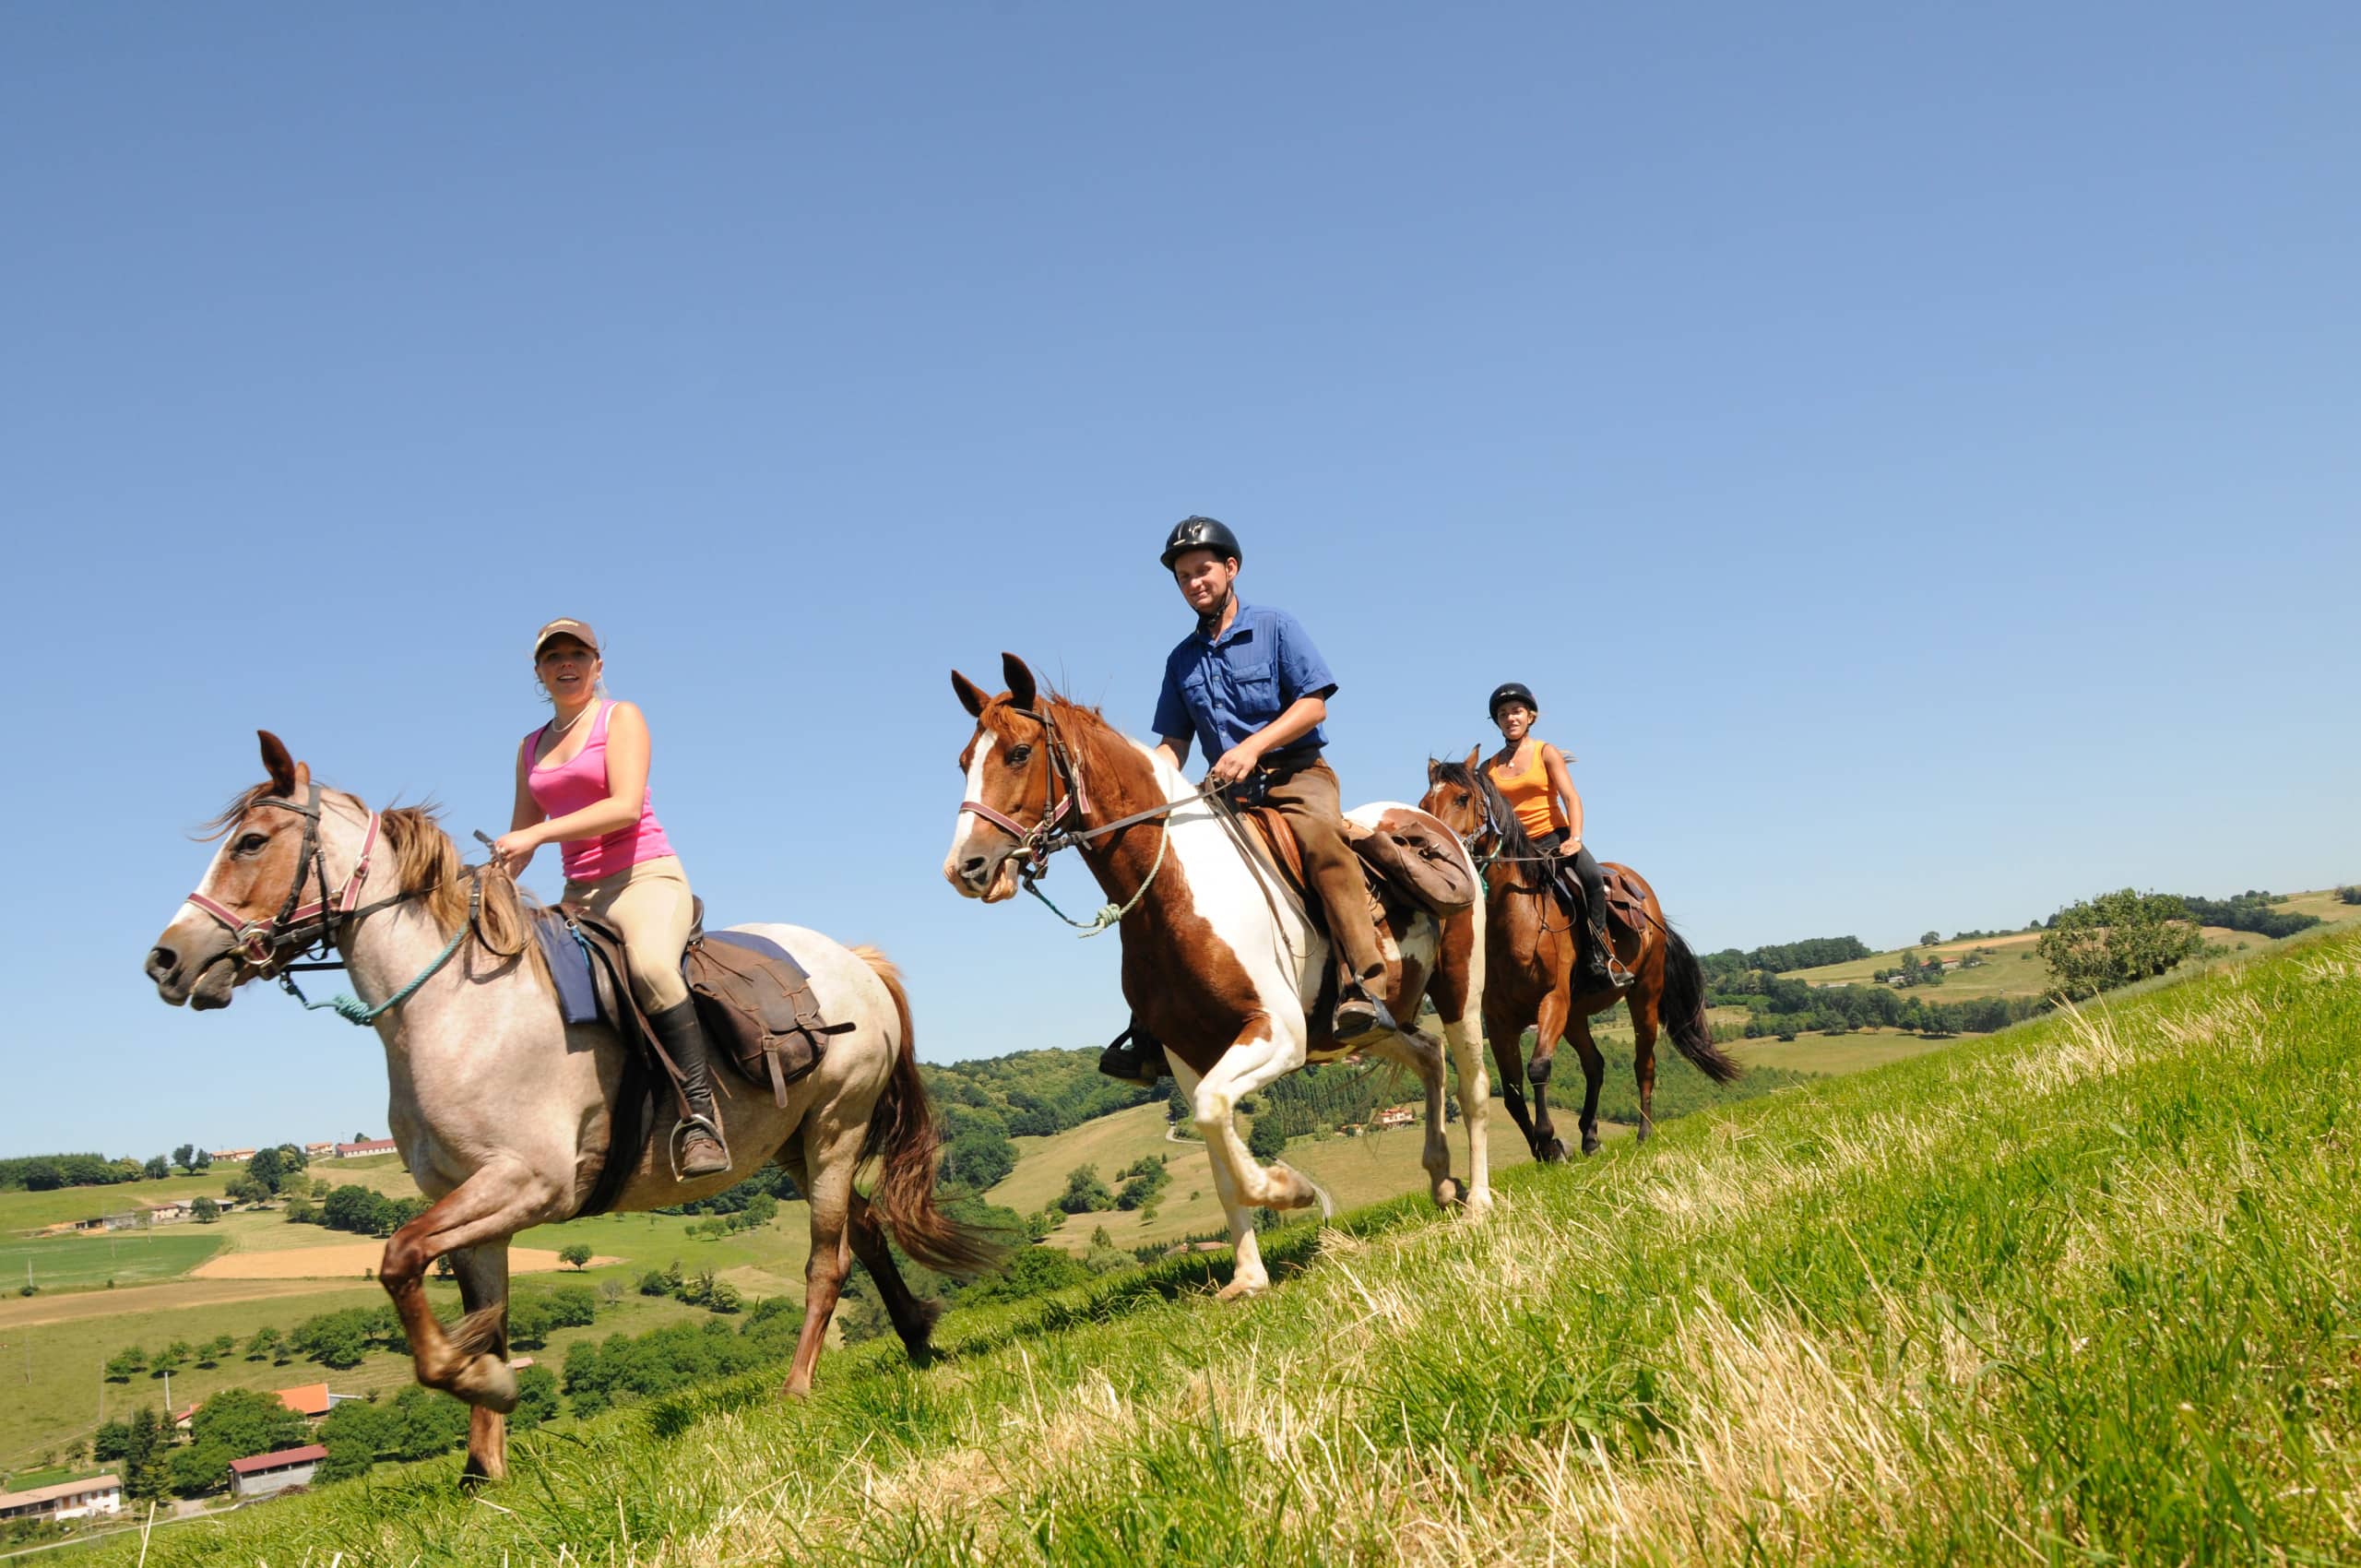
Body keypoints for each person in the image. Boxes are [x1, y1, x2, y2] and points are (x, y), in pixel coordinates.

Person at [1097, 517, 1399, 1086]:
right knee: (1160, 876)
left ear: (1230, 569)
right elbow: (1173, 746)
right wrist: (1140, 789)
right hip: (1225, 792)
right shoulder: (1180, 661)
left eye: (1203, 570)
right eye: (1184, 576)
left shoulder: (1276, 627)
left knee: (1322, 840)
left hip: (1296, 775)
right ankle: (1150, 1026)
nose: (1194, 583)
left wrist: (1252, 747)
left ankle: (1365, 983)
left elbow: (1314, 706)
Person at [490, 619, 730, 1176]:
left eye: (578, 654)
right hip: (579, 895)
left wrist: (535, 835)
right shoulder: (530, 747)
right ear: (539, 673)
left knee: (650, 968)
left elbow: (623, 806)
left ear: (598, 665)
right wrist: (492, 876)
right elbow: (520, 837)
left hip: (645, 878)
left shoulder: (620, 717)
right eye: (554, 658)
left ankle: (702, 1120)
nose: (566, 664)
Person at [1484, 681, 1631, 991]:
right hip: (1515, 850)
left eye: (1516, 711)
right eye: (1503, 714)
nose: (1510, 718)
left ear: (1530, 716)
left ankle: (1599, 958)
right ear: (1497, 721)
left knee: (1591, 878)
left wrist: (1575, 837)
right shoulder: (1488, 768)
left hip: (1555, 838)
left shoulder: (1545, 752)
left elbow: (1571, 797)